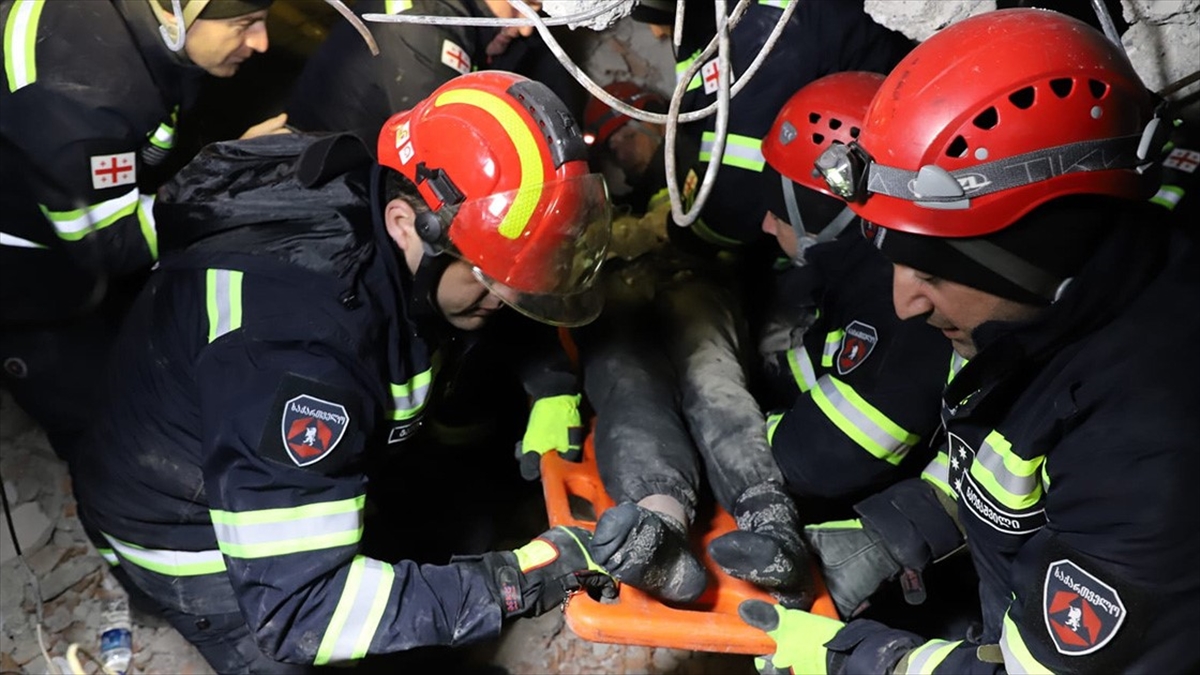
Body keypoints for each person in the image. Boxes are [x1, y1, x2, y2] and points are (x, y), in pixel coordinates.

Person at [69, 71, 614, 673]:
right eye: (492, 280)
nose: (505, 299)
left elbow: (496, 280)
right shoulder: (300, 357)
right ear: (410, 225)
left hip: (235, 445)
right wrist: (517, 582)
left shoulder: (385, 199)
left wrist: (549, 386)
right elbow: (303, 613)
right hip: (189, 537)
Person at [737, 9, 1200, 673]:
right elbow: (1007, 451)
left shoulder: (1152, 444)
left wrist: (867, 659)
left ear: (1039, 249)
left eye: (933, 270)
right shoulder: (1038, 317)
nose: (905, 302)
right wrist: (893, 531)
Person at [582, 0, 917, 609]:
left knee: (708, 375)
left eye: (626, 141)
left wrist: (675, 241)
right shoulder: (694, 127)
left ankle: (771, 528)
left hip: (704, 278)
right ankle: (656, 528)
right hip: (639, 291)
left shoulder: (727, 88)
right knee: (626, 377)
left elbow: (730, 199)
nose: (657, 33)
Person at [0, 0, 282, 461]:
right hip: (31, 275)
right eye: (244, 24)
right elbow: (110, 244)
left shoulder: (124, 24)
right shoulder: (86, 99)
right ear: (175, 13)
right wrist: (224, 178)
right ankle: (110, 507)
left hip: (57, 189)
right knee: (101, 419)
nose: (262, 42)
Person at [286, 0, 584, 135]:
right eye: (527, 5)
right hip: (326, 200)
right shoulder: (424, 21)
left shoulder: (458, 21)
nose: (525, 29)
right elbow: (447, 149)